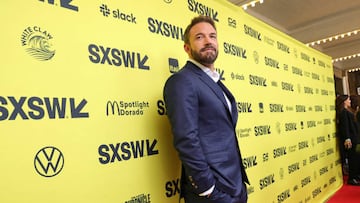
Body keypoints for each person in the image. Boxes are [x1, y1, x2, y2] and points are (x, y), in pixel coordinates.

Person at [163, 15, 249, 203]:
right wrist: (207, 189)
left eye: (212, 36)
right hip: (213, 194)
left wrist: (240, 186)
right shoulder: (182, 81)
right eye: (199, 37)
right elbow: (186, 139)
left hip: (235, 186)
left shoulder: (215, 82)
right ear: (187, 48)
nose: (208, 41)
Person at [336, 94, 360, 185]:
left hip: (356, 138)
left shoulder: (348, 111)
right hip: (351, 140)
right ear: (344, 101)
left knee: (357, 158)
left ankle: (356, 175)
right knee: (353, 159)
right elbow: (344, 126)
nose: (350, 101)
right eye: (348, 100)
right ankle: (352, 178)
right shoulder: (343, 112)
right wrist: (347, 138)